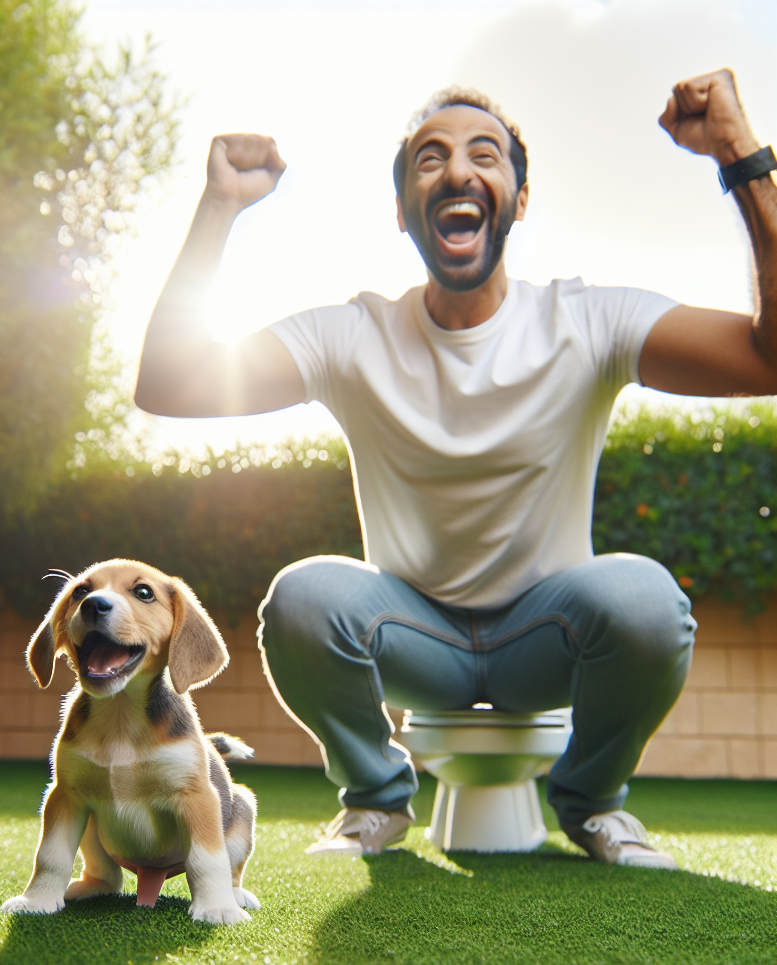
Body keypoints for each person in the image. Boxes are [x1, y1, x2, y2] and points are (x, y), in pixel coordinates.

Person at [134, 69, 777, 867]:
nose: (461, 171)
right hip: (415, 637)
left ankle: (593, 802)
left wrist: (743, 158)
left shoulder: (590, 320)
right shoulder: (353, 335)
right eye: (430, 159)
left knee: (646, 600)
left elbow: (767, 357)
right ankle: (373, 799)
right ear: (404, 210)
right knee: (303, 598)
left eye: (485, 154)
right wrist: (219, 207)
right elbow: (168, 384)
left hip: (547, 634)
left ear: (519, 196)